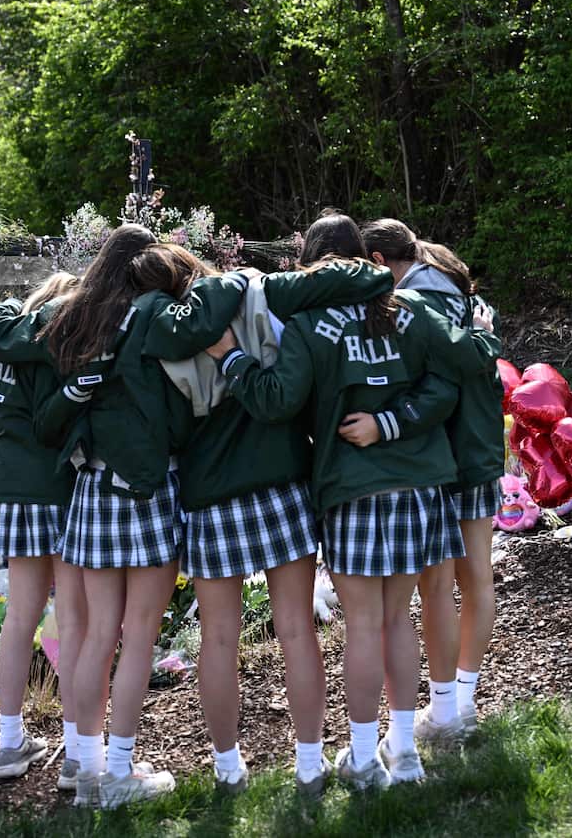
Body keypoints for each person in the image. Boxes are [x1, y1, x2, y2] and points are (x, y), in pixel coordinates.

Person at [205, 213, 500, 789]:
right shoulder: (407, 309)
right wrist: (400, 416)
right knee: (396, 620)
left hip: (352, 490)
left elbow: (276, 402)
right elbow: (451, 378)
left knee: (364, 626)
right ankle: (406, 751)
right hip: (420, 487)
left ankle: (365, 760)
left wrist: (231, 357)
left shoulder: (308, 322)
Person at [138, 242, 394, 796]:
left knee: (219, 640)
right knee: (298, 629)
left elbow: (168, 431)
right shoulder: (255, 290)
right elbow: (349, 280)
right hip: (281, 482)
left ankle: (228, 769)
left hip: (209, 496)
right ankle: (308, 764)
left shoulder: (151, 333)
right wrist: (375, 274)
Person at [33, 227, 250, 809]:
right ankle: (119, 775)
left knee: (98, 637)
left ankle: (84, 766)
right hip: (146, 490)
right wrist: (230, 275)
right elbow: (208, 323)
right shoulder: (147, 316)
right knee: (138, 640)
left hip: (92, 486)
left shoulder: (77, 318)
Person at [349, 219, 505, 739]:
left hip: (445, 451)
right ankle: (460, 701)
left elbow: (442, 374)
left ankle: (451, 707)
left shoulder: (416, 300)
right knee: (473, 576)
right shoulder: (445, 280)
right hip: (476, 443)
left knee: (439, 585)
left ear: (377, 261)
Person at [0, 270, 83, 783]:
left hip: (12, 492)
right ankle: (75, 748)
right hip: (58, 492)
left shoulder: (6, 347)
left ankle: (9, 741)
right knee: (71, 622)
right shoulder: (50, 350)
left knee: (19, 621)